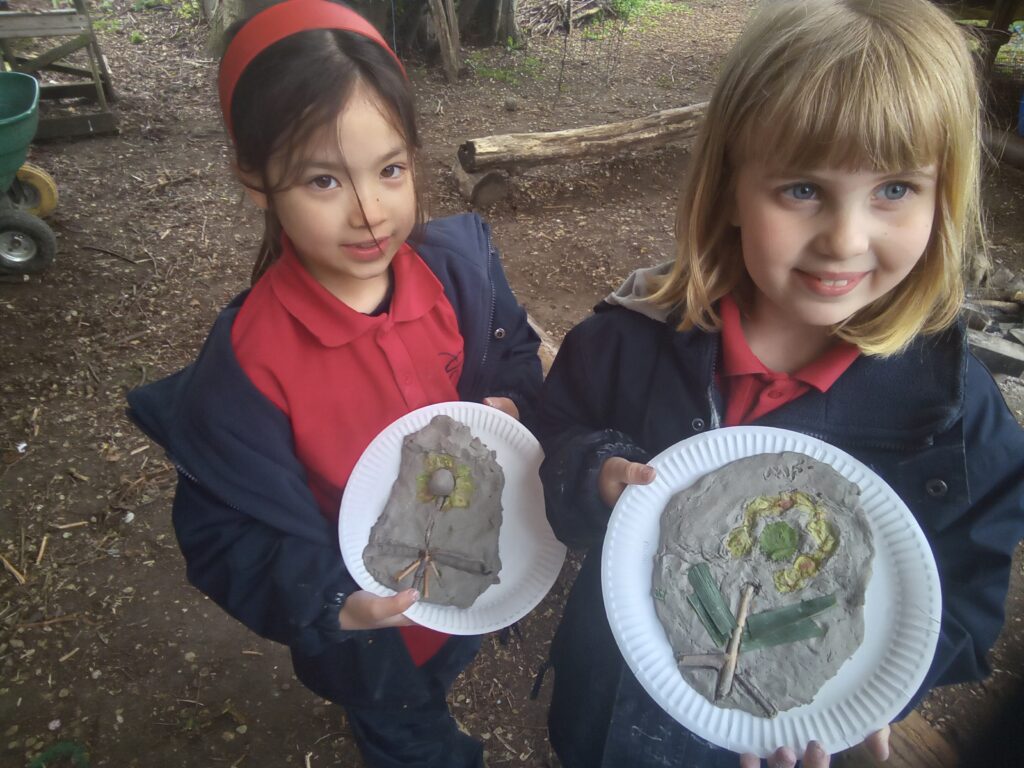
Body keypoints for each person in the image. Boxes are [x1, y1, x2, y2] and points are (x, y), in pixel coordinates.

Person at [532, 0, 1024, 766]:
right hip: (608, 706)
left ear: (944, 195)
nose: (845, 239)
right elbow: (555, 439)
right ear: (729, 186)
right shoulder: (625, 342)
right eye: (802, 189)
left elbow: (964, 591)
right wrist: (595, 472)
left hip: (782, 733)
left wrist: (882, 686)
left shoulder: (958, 416)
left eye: (894, 189)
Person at [126, 1, 542, 766]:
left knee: (450, 662)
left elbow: (513, 356)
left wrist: (512, 403)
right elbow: (223, 537)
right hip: (372, 641)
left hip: (470, 577)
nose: (368, 213)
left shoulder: (458, 277)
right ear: (255, 181)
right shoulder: (248, 366)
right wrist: (331, 605)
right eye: (323, 180)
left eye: (389, 170)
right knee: (407, 734)